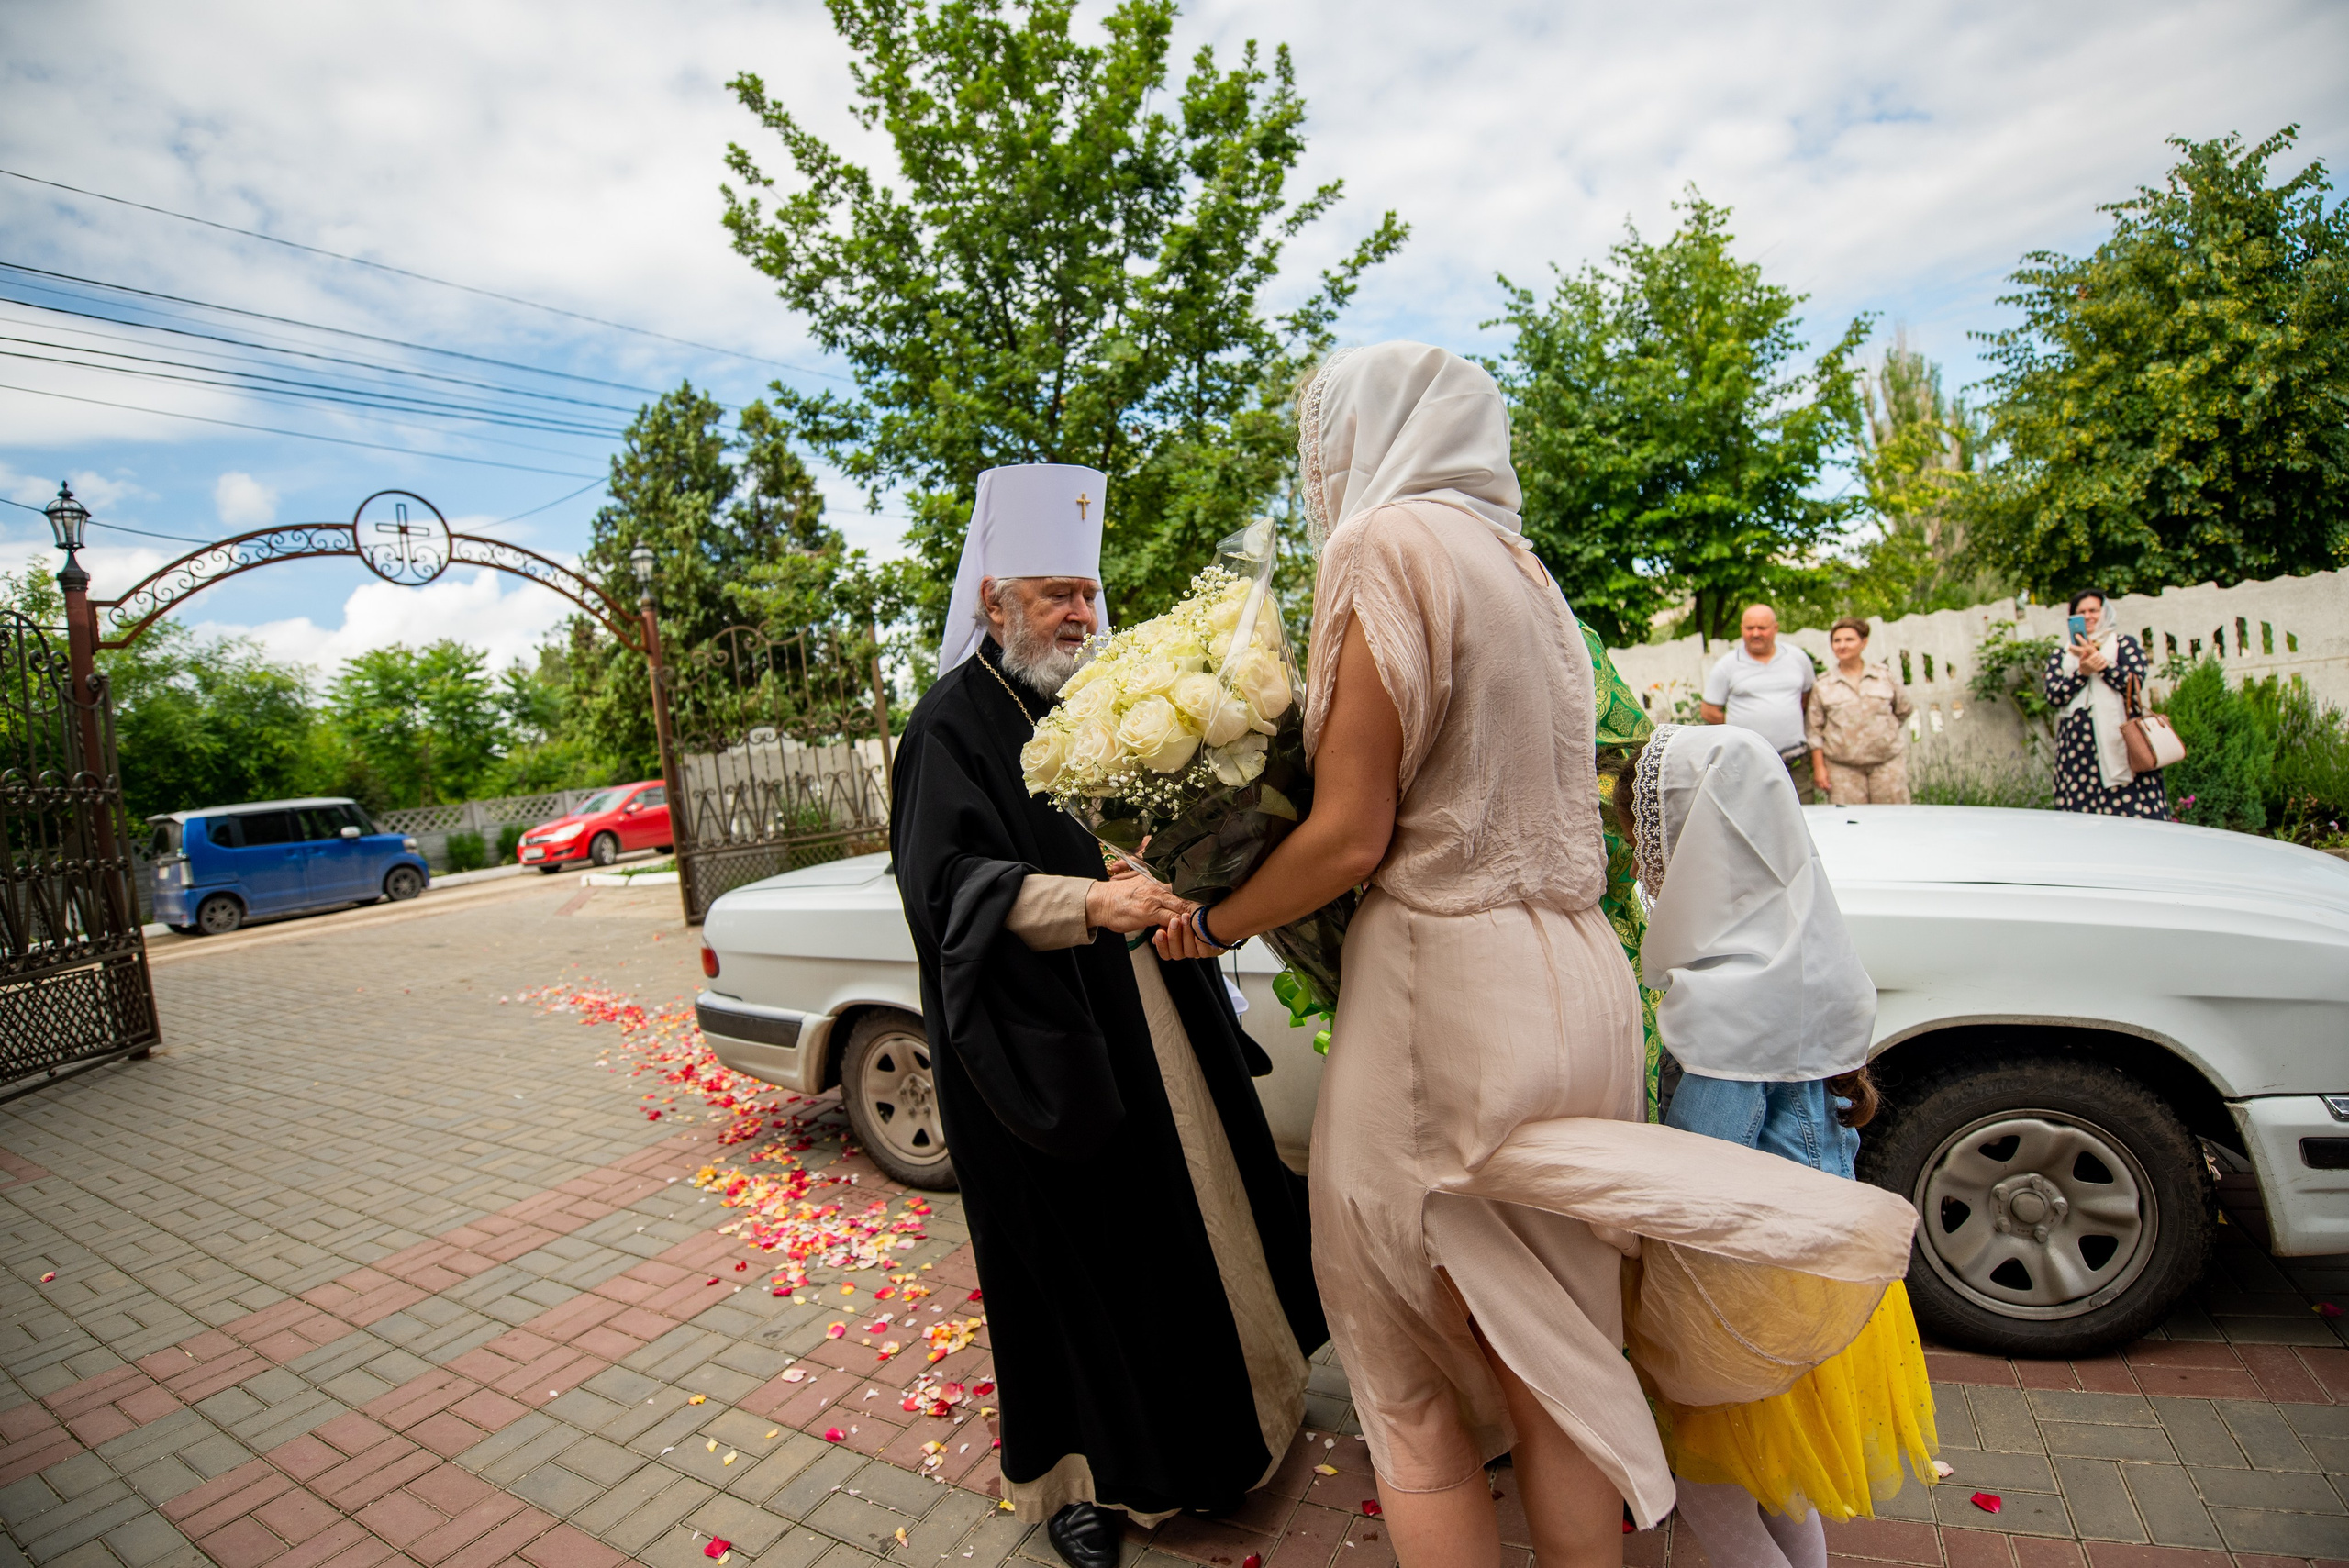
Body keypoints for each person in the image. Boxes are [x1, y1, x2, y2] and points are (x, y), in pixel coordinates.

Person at [1153, 343, 1919, 1568]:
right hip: (1580, 985)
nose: (1318, 473)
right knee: (1555, 1364)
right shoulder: (1531, 575)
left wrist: (1217, 919)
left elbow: (1352, 832)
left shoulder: (1382, 545)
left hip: (1448, 984)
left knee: (1404, 1377)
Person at [890, 462, 1326, 1568]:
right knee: (1071, 1260)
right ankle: (1076, 1483)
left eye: (1085, 592)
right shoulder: (946, 724)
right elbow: (946, 892)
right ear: (993, 603)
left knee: (1200, 1208)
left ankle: (1250, 1413)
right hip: (1038, 1039)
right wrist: (1088, 898)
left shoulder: (1107, 695)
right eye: (1053, 594)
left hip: (1157, 1006)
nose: (1080, 613)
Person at [1620, 723, 1937, 1568]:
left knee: (1715, 1505)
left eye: (1652, 846)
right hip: (1821, 1280)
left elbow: (1701, 1170)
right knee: (1783, 1486)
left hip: (1741, 1299)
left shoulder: (1728, 990)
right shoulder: (1799, 947)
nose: (1647, 868)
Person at [2043, 589, 2168, 817]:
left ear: (2105, 613)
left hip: (2123, 741)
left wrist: (2101, 664)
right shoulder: (2061, 655)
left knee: (2132, 812)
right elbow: (2054, 696)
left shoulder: (2123, 645)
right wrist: (2081, 672)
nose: (2088, 616)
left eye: (2094, 610)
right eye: (2081, 612)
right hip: (2078, 750)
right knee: (2082, 816)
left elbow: (2134, 683)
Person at [1702, 606, 1819, 801]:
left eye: (1762, 628)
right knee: (1752, 818)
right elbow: (1708, 711)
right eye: (1750, 628)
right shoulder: (1727, 665)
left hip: (1794, 760)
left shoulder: (1797, 658)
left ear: (1775, 628)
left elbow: (1806, 697)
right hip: (1747, 763)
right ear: (1742, 629)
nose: (1755, 633)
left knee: (1804, 814)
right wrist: (1741, 728)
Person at [1805, 618, 1913, 806]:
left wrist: (1882, 733)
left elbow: (1903, 709)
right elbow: (1814, 730)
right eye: (1837, 641)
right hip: (1843, 770)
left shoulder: (1883, 676)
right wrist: (1819, 768)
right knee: (1849, 824)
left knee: (1894, 821)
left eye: (1849, 639)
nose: (1842, 645)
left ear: (1864, 642)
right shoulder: (1823, 685)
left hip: (1886, 765)